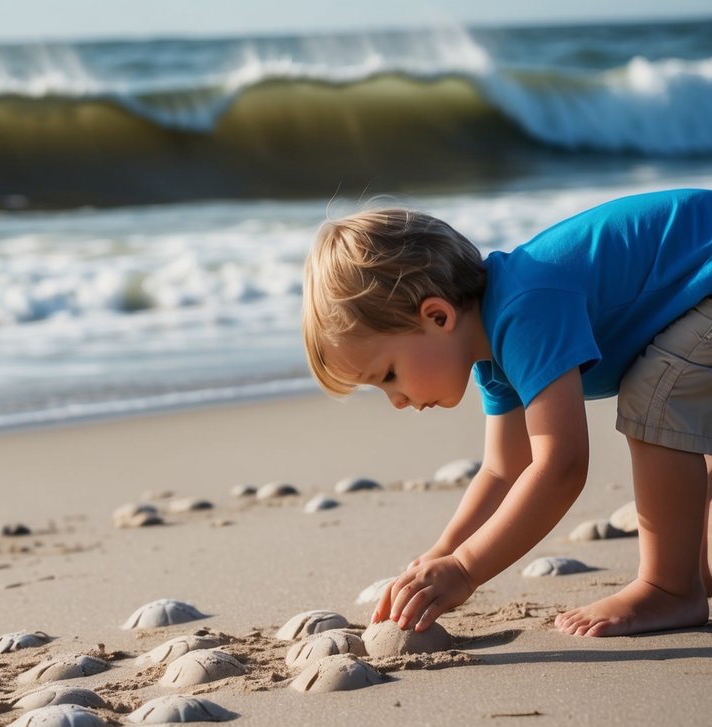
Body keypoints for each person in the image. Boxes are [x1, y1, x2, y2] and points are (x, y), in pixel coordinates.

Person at [301, 189, 712, 637]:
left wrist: (466, 568)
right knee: (679, 398)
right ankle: (691, 568)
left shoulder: (525, 312)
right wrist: (443, 551)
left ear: (437, 316)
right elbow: (504, 471)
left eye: (389, 375)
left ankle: (670, 588)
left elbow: (562, 466)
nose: (397, 400)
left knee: (657, 394)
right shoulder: (495, 350)